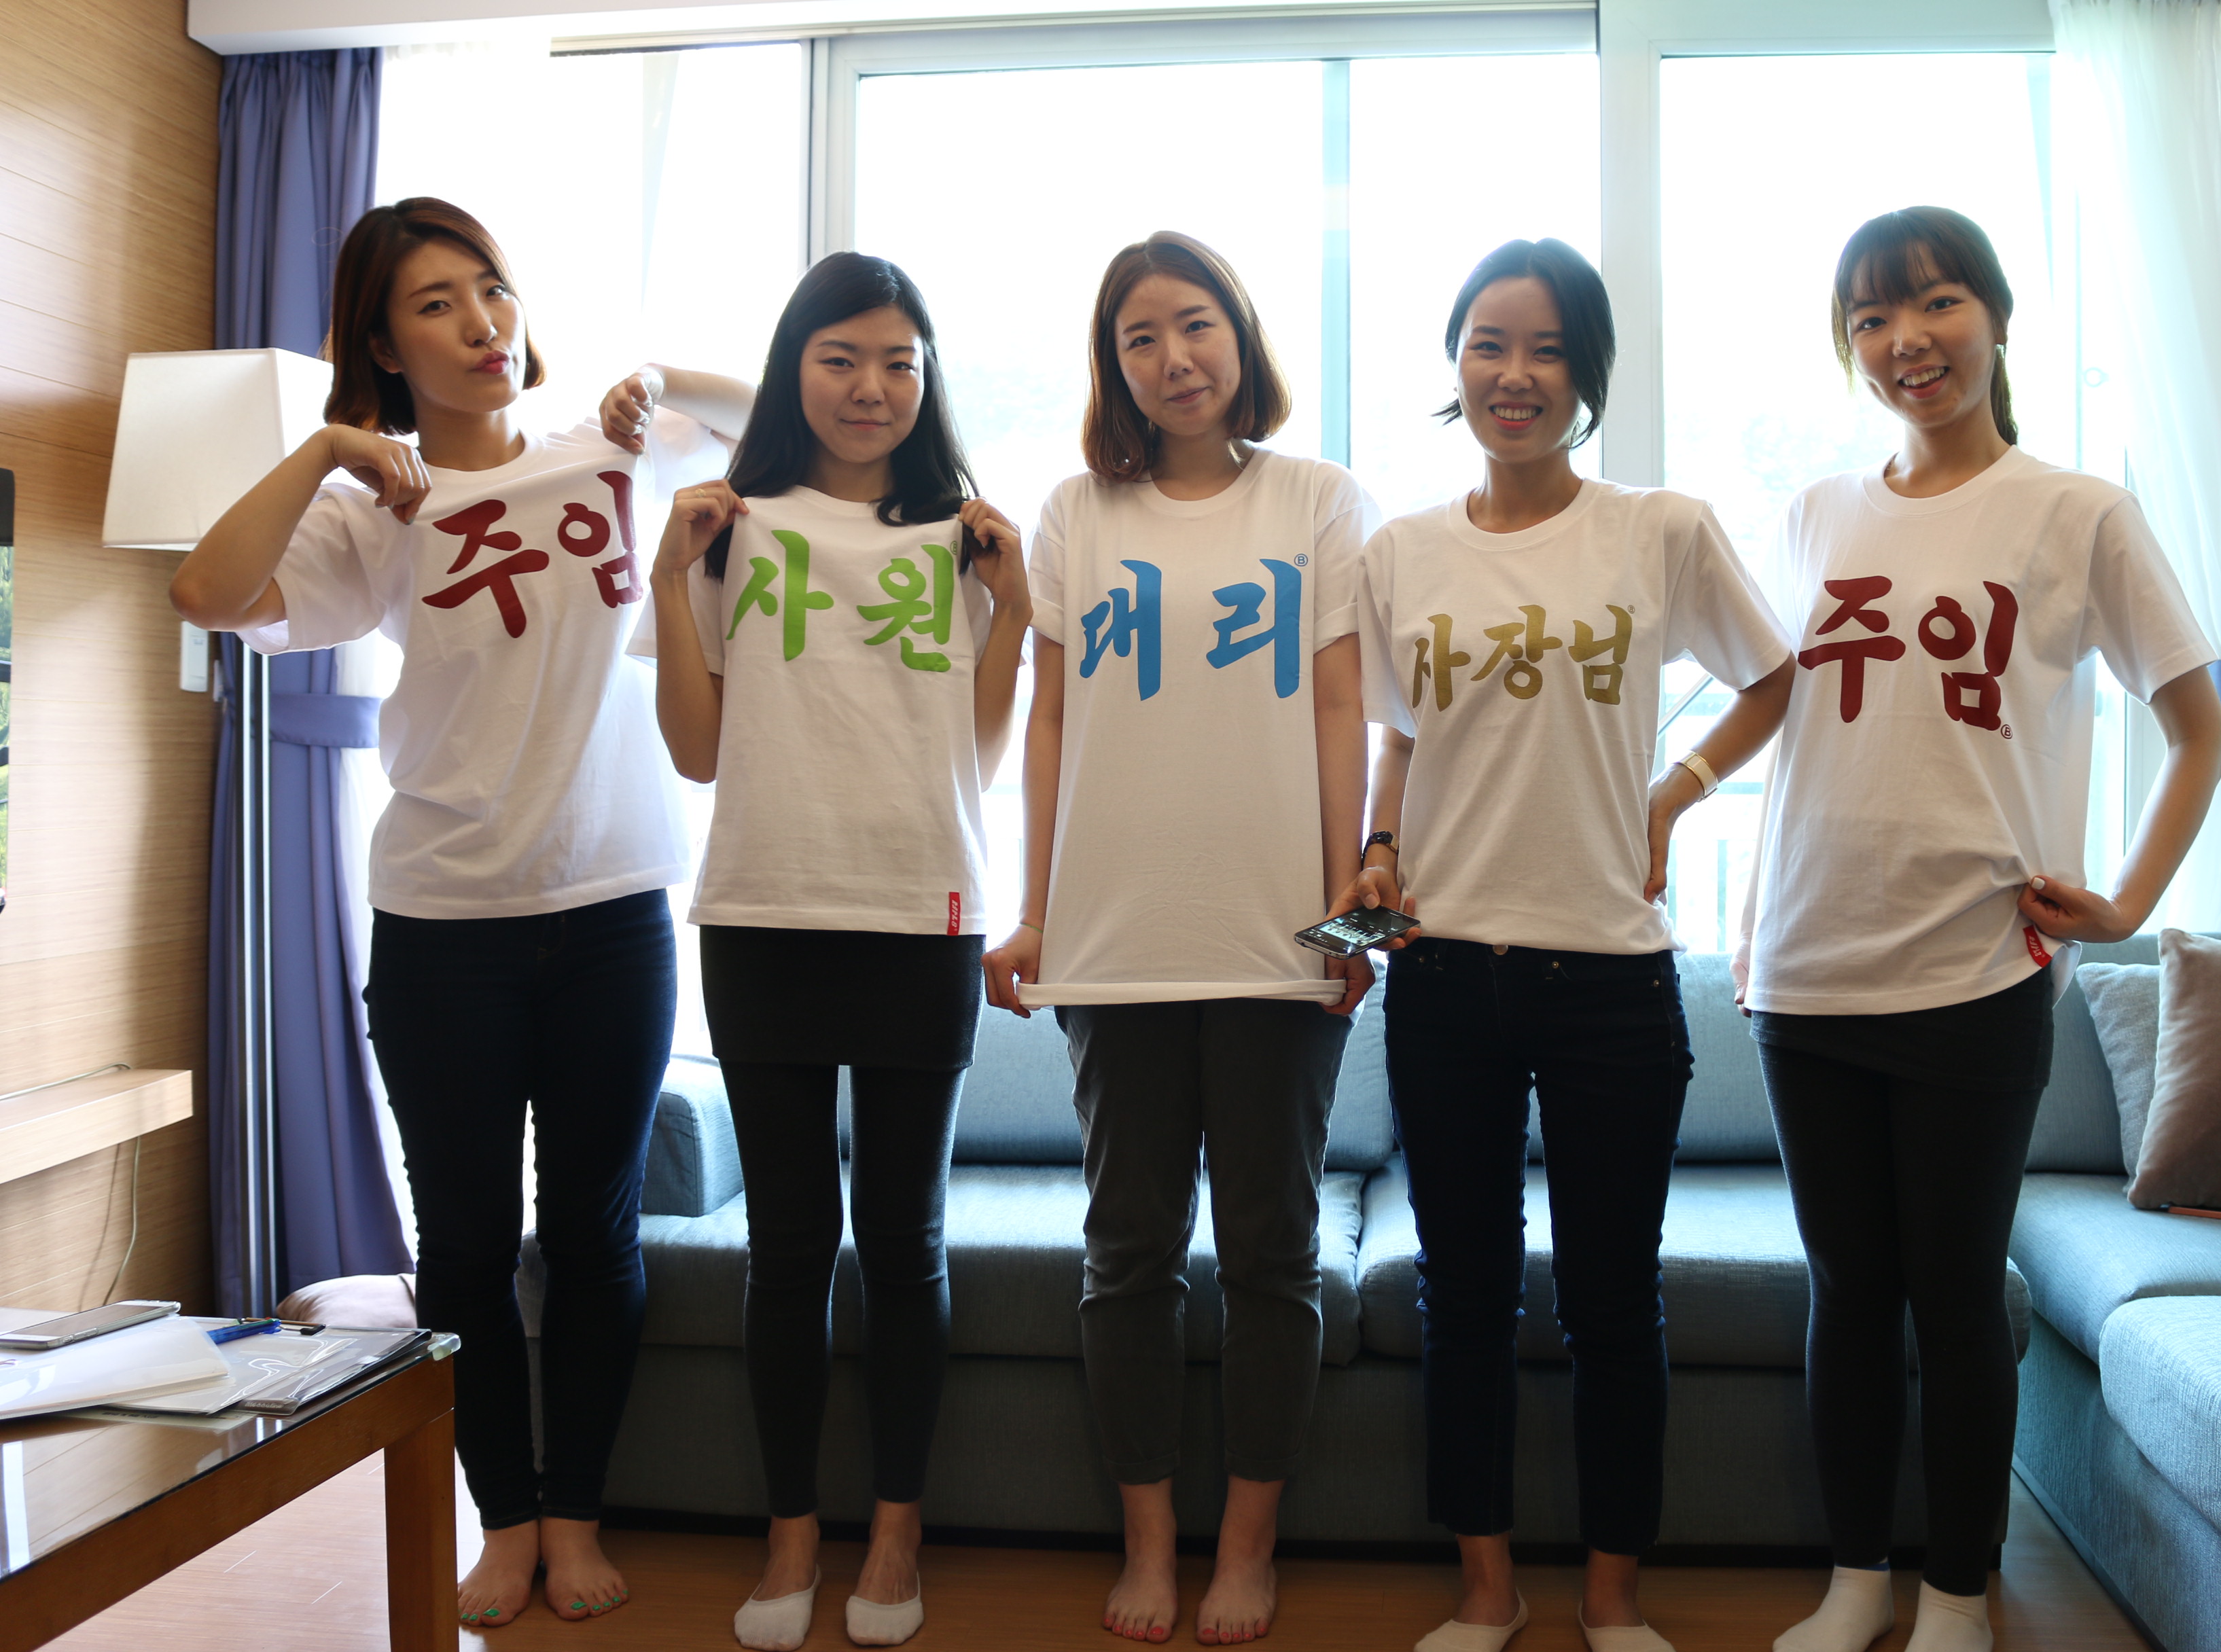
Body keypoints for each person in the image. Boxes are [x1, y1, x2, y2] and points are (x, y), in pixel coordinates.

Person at [168, 197, 753, 1629]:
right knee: (467, 1247)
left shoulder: (608, 454)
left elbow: (793, 419)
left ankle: (577, 1513)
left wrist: (659, 379)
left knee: (598, 1231)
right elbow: (205, 590)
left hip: (613, 907)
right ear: (383, 346)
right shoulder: (379, 516)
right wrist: (326, 449)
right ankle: (506, 1519)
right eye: (436, 303)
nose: (483, 321)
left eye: (491, 288)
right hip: (441, 925)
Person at [1744, 206, 2221, 1652]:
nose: (1907, 340)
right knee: (1847, 1292)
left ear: (1996, 317)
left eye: (1937, 302)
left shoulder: (2076, 513)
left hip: (1975, 969)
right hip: (1806, 971)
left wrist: (2128, 904)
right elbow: (1788, 723)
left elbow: (2198, 729)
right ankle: (1855, 1583)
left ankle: (1958, 1590)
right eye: (1871, 319)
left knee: (1955, 1295)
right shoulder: (1816, 515)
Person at [1351, 238, 1794, 1652]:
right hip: (1444, 972)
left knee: (1613, 1300)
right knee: (1464, 1298)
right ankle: (1488, 1588)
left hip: (1611, 974)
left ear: (1587, 374)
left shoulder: (1659, 530)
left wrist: (1677, 789)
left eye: (1547, 348)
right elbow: (1399, 733)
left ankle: (1613, 1595)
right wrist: (1378, 848)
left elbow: (1773, 676)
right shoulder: (1402, 550)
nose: (1515, 374)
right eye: (1490, 343)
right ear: (1457, 363)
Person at [980, 230, 1379, 1646]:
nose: (1174, 358)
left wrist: (1347, 914)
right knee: (1128, 1253)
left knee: (1273, 1254)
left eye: (1196, 324)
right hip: (1120, 942)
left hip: (1278, 944)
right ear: (1115, 366)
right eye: (1139, 337)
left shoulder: (1318, 499)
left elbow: (1343, 709)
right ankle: (1150, 1541)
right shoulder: (1075, 514)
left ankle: (1247, 1549)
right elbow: (1050, 719)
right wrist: (1036, 908)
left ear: (1240, 335)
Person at [637, 251, 1029, 1652]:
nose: (873, 387)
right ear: (793, 367)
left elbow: (981, 758)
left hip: (922, 912)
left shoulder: (966, 540)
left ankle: (897, 1528)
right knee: (790, 1246)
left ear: (928, 382)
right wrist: (674, 574)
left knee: (905, 1241)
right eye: (843, 358)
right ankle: (792, 1531)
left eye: (900, 363)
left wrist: (1016, 607)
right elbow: (696, 752)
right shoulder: (730, 527)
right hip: (763, 910)